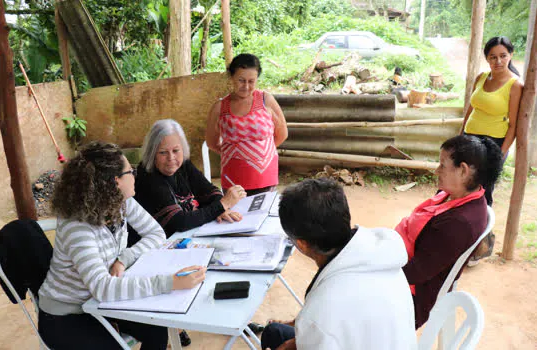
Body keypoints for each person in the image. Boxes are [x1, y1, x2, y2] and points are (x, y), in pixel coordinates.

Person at [38, 141, 206, 350]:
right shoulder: (77, 225)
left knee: (157, 329)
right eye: (130, 171)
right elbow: (102, 288)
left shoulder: (121, 202)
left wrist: (123, 259)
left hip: (101, 304)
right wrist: (170, 283)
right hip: (67, 315)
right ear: (115, 181)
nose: (134, 176)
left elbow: (156, 234)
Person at [261, 179, 416, 350]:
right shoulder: (382, 257)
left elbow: (326, 324)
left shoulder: (320, 311)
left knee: (274, 335)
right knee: (274, 333)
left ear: (302, 244)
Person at [396, 135, 503, 329]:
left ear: (463, 171)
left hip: (409, 297)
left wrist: (374, 271)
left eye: (442, 166)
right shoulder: (454, 196)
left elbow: (415, 273)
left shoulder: (460, 223)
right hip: (400, 263)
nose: (436, 171)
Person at [132, 119, 246, 239]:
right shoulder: (147, 177)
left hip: (188, 236)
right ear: (152, 153)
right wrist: (221, 205)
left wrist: (221, 209)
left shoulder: (183, 164)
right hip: (161, 245)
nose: (171, 158)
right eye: (163, 153)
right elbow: (180, 222)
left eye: (176, 150)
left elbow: (208, 190)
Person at [206, 53, 288, 196]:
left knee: (263, 214)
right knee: (236, 215)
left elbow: (282, 134)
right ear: (231, 78)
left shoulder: (266, 100)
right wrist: (236, 154)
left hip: (265, 177)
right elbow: (212, 142)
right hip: (233, 179)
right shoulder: (220, 107)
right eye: (241, 80)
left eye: (251, 81)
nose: (246, 86)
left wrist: (261, 154)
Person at [461, 36, 523, 206]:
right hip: (469, 138)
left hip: (493, 144)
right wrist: (461, 135)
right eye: (493, 57)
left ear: (511, 55)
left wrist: (500, 154)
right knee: (460, 184)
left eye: (503, 55)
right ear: (487, 58)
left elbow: (513, 125)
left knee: (483, 190)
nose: (498, 61)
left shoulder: (515, 85)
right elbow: (471, 108)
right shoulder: (481, 77)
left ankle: (484, 229)